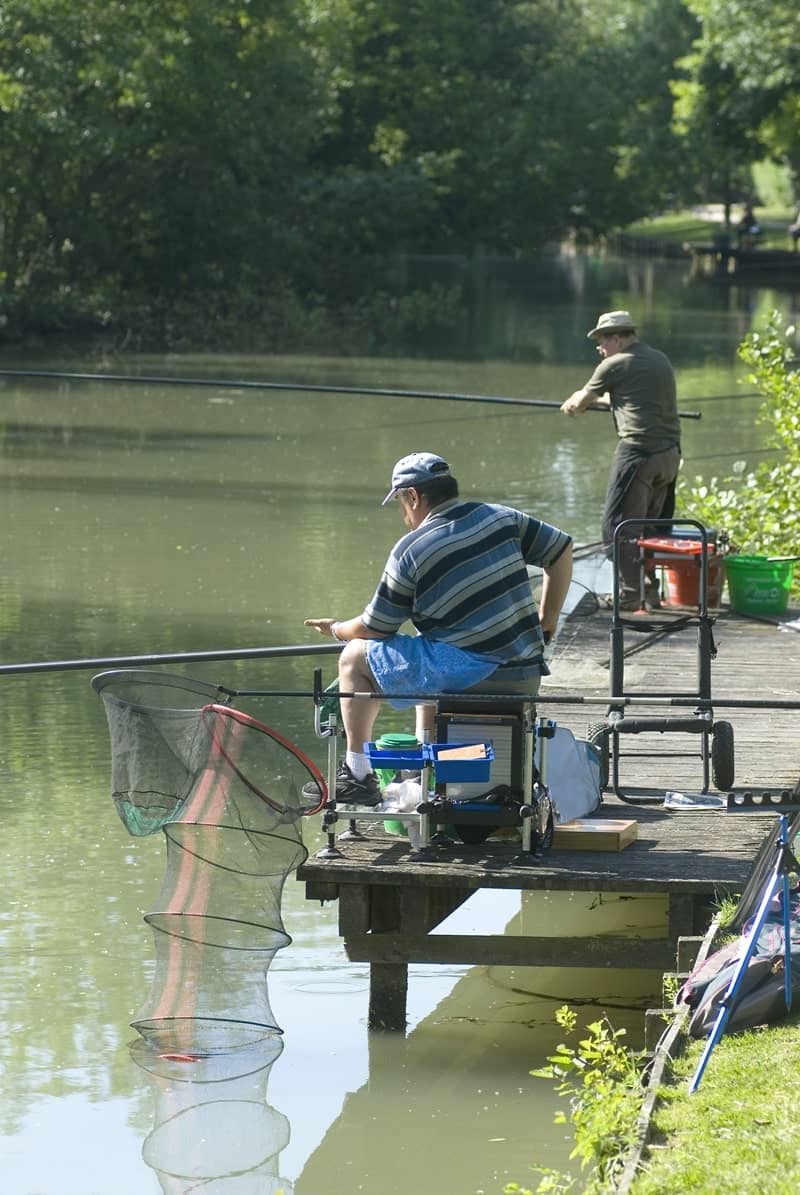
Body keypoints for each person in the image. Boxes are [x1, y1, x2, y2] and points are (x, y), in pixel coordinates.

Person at [303, 452, 573, 805]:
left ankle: (356, 774)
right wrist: (546, 623)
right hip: (525, 673)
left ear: (413, 496)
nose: (403, 516)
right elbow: (561, 549)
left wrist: (338, 629)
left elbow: (375, 627)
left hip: (476, 678)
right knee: (426, 645)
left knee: (355, 657)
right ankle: (423, 763)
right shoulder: (501, 517)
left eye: (401, 502)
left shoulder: (410, 550)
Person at [560, 310, 680, 610]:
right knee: (650, 528)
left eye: (601, 341)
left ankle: (629, 596)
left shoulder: (613, 364)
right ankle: (649, 591)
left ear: (617, 338)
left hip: (638, 455)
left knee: (618, 527)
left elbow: (578, 403)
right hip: (670, 456)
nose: (599, 349)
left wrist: (574, 402)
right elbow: (630, 398)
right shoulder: (659, 359)